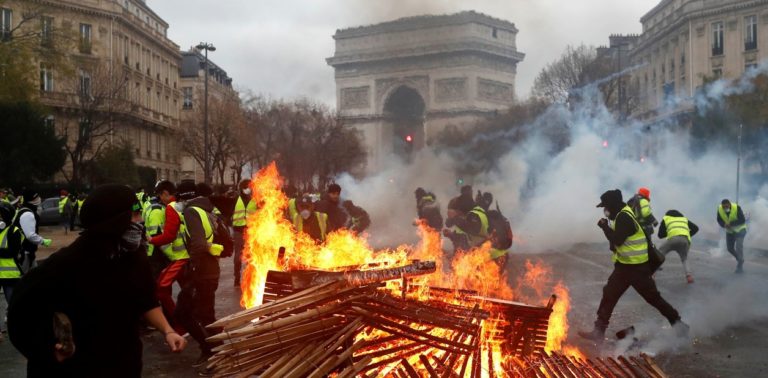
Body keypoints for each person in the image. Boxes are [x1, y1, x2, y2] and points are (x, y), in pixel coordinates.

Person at [7, 184, 186, 377]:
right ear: (113, 221)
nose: (140, 221)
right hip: (78, 369)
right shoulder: (65, 265)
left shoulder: (134, 257)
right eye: (134, 215)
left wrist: (168, 331)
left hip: (124, 365)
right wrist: (47, 350)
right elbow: (20, 313)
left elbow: (145, 300)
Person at [578, 189, 687, 342]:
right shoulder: (621, 213)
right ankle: (598, 331)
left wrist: (604, 226)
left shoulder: (624, 217)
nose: (605, 210)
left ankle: (678, 324)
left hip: (637, 269)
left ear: (613, 205)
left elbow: (618, 240)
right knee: (609, 294)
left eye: (606, 206)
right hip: (624, 266)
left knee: (653, 298)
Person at [176, 183, 225, 368]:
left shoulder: (190, 212)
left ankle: (214, 352)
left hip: (202, 273)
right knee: (203, 314)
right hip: (210, 269)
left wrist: (193, 270)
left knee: (189, 313)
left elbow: (198, 244)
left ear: (182, 197)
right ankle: (214, 349)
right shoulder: (207, 209)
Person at [149, 180, 194, 334]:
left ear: (166, 193)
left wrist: (152, 240)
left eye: (160, 195)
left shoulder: (171, 207)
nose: (160, 199)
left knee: (161, 289)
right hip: (191, 257)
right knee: (189, 292)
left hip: (180, 258)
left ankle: (179, 325)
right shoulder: (186, 205)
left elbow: (169, 235)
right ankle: (192, 322)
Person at [14, 189, 52, 273]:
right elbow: (30, 235)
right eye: (36, 198)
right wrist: (43, 241)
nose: (39, 199)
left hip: (27, 251)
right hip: (24, 252)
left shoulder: (24, 210)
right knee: (23, 278)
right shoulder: (28, 214)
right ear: (30, 200)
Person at [0, 201, 23, 337]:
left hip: (10, 274)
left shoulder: (14, 231)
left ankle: (19, 328)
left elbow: (12, 252)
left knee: (13, 304)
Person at [658, 210, 699, 284]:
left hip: (672, 240)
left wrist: (670, 231)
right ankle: (689, 276)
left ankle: (652, 275)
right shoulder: (684, 219)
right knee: (684, 258)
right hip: (685, 241)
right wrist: (687, 234)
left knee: (658, 255)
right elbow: (696, 228)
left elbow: (660, 235)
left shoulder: (666, 219)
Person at [144, 180, 174, 280]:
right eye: (171, 195)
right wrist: (173, 256)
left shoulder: (158, 206)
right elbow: (158, 237)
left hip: (156, 253)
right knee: (158, 286)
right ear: (164, 194)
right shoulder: (157, 210)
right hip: (156, 255)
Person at [232, 179, 257, 288]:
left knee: (251, 256)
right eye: (245, 187)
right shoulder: (235, 200)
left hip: (251, 231)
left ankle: (249, 278)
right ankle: (237, 278)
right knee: (238, 257)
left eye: (249, 187)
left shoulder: (256, 200)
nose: (248, 189)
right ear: (241, 188)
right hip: (238, 231)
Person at [716, 199, 747, 273]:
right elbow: (719, 220)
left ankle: (740, 266)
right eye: (723, 207)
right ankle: (740, 259)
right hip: (730, 231)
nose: (725, 208)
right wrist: (724, 224)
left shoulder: (736, 208)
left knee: (739, 247)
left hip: (740, 230)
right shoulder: (720, 209)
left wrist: (731, 224)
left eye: (726, 206)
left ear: (729, 204)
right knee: (729, 248)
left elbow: (742, 220)